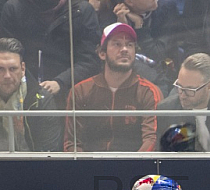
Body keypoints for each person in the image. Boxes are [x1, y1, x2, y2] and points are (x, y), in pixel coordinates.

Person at [64, 22, 162, 152]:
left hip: (135, 167)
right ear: (102, 53)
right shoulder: (80, 91)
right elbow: (72, 143)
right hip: (90, 166)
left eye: (130, 45)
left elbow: (152, 140)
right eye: (117, 44)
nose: (125, 49)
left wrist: (132, 166)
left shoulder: (149, 92)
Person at [0, 37, 63, 151]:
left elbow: (48, 151)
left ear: (23, 69)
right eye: (0, 69)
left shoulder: (41, 100)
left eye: (13, 69)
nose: (7, 76)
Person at [0, 0, 100, 107]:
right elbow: (6, 55)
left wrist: (61, 82)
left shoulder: (81, 11)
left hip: (69, 91)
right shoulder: (14, 8)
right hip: (22, 90)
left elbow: (90, 60)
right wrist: (30, 85)